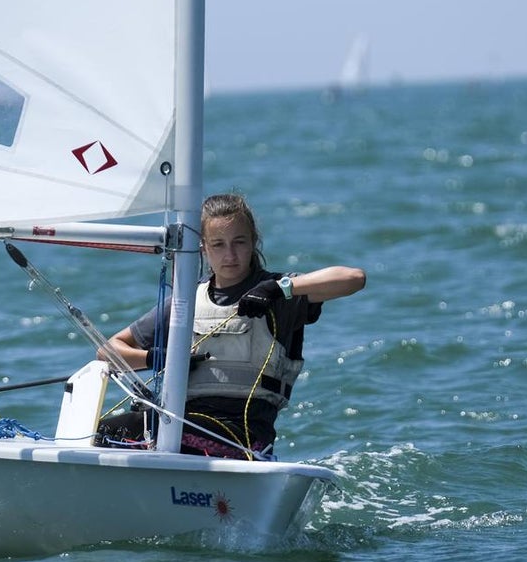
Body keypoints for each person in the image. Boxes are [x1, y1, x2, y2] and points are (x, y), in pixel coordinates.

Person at [95, 193, 366, 458]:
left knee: (152, 429)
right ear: (203, 247)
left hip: (245, 437)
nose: (230, 255)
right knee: (106, 430)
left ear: (253, 242)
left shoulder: (279, 295)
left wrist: (280, 288)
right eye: (218, 244)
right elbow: (108, 352)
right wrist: (157, 358)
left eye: (239, 242)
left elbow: (353, 278)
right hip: (182, 421)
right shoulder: (187, 300)